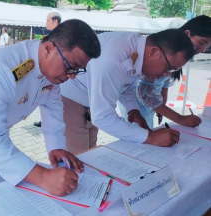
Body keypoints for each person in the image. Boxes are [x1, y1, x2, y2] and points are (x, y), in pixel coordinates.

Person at [0, 19, 101, 200]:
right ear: (48, 49)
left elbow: (53, 112)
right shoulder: (3, 68)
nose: (71, 76)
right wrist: (43, 177)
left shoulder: (52, 72)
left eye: (77, 71)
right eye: (70, 68)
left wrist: (56, 148)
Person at [60, 29, 195, 154]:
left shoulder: (137, 50)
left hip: (91, 102)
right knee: (80, 161)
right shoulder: (113, 58)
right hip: (72, 100)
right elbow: (102, 117)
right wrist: (151, 137)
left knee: (91, 153)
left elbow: (125, 85)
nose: (166, 75)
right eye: (169, 67)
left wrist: (133, 110)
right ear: (154, 52)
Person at [118, 15, 211, 128]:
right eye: (201, 43)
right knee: (138, 135)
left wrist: (162, 106)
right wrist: (180, 119)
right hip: (134, 104)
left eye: (207, 46)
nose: (202, 49)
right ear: (187, 34)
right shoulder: (166, 50)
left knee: (146, 134)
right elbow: (145, 95)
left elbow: (165, 84)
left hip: (151, 104)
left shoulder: (178, 54)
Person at [34, 12, 61, 128]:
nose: (46, 23)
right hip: (50, 72)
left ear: (55, 21)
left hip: (55, 72)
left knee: (50, 96)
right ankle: (47, 121)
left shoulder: (60, 36)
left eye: (48, 20)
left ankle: (50, 122)